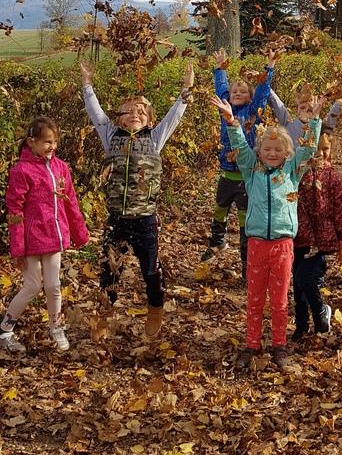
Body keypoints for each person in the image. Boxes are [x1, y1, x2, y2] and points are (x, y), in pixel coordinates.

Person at [80, 60, 194, 340]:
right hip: (116, 218)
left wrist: (185, 91)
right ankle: (106, 312)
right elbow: (95, 114)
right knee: (109, 270)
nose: (134, 114)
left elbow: (174, 118)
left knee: (150, 269)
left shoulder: (155, 138)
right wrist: (87, 85)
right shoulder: (111, 135)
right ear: (119, 117)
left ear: (150, 119)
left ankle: (155, 307)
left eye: (141, 111)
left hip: (145, 218)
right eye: (129, 111)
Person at [211, 93, 322, 372]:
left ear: (287, 152)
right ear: (259, 152)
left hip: (283, 244)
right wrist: (231, 121)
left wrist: (314, 121)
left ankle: (279, 345)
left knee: (281, 298)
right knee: (255, 296)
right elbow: (239, 144)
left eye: (278, 149)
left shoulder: (292, 172)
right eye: (267, 149)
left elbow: (308, 148)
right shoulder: (252, 171)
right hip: (257, 243)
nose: (272, 153)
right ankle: (252, 343)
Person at [0, 116, 89, 354]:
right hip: (31, 241)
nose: (52, 146)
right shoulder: (22, 170)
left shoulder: (61, 168)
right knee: (31, 286)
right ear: (32, 142)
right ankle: (6, 329)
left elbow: (71, 203)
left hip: (54, 239)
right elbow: (15, 210)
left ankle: (56, 326)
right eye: (47, 142)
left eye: (55, 142)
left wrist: (80, 233)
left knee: (53, 286)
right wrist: (18, 247)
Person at [202, 49, 275, 276]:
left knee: (245, 221)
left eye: (243, 91)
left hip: (246, 177)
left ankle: (246, 263)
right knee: (220, 209)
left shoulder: (254, 112)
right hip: (226, 174)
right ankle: (218, 241)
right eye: (234, 90)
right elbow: (220, 89)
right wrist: (220, 68)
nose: (237, 93)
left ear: (250, 97)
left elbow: (263, 92)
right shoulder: (227, 111)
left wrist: (268, 69)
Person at [292, 132, 342, 341]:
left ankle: (321, 310)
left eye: (325, 149)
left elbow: (340, 208)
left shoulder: (333, 176)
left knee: (304, 277)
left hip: (323, 238)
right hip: (299, 234)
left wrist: (341, 237)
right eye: (316, 149)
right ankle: (301, 324)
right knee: (297, 283)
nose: (320, 154)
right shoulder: (298, 173)